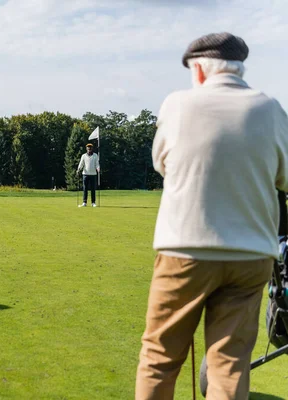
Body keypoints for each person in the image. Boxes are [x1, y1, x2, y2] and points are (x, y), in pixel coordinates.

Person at [135, 32, 288, 400]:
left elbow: (163, 164)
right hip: (251, 255)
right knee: (229, 365)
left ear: (200, 71)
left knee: (159, 358)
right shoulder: (270, 108)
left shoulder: (176, 105)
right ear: (238, 68)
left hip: (185, 251)